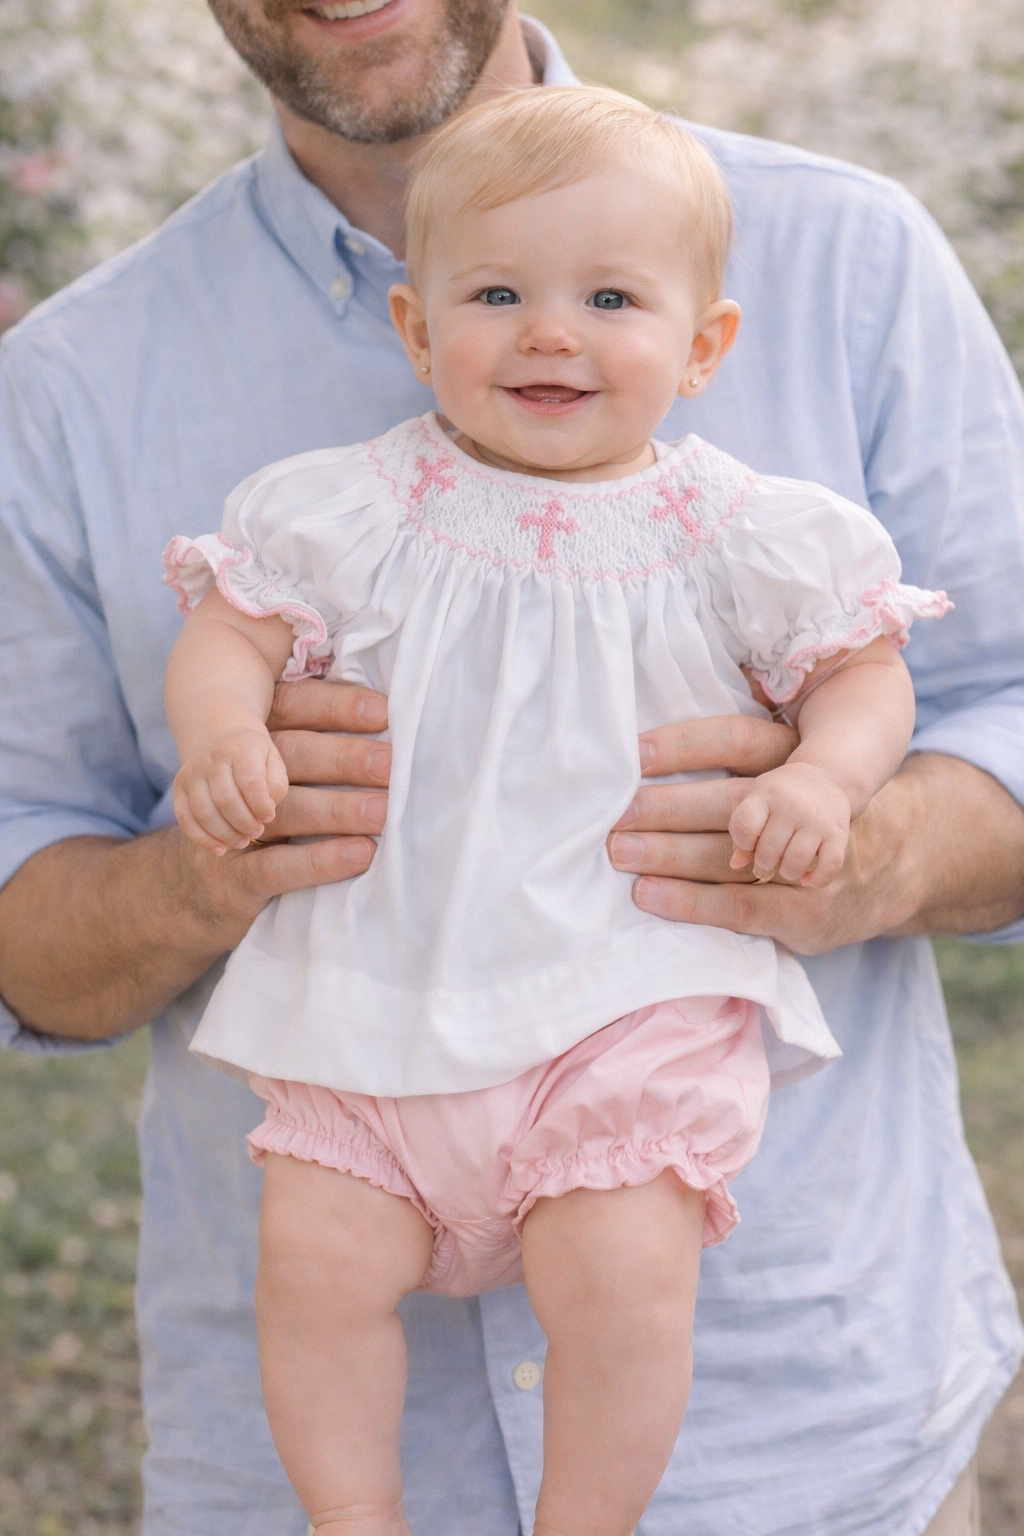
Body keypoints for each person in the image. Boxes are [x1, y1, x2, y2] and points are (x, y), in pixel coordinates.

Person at [0, 5, 1021, 1534]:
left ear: (704, 346)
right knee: (329, 1264)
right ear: (423, 331)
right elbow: (65, 832)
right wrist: (209, 811)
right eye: (494, 296)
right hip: (339, 1138)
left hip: (794, 1445)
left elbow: (951, 683)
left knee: (622, 1263)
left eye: (611, 299)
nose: (552, 334)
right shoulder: (99, 389)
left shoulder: (840, 275)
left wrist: (850, 818)